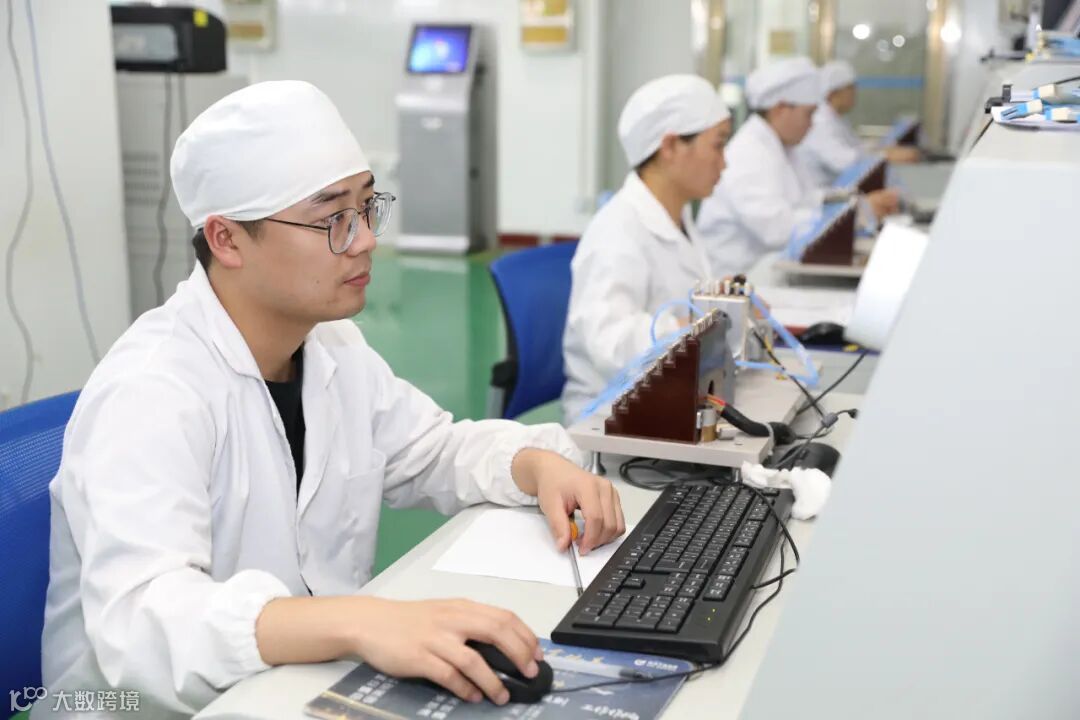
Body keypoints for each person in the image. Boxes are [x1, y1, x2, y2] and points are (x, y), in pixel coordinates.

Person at [37, 81, 625, 719]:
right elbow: (144, 623)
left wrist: (535, 464)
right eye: (332, 220)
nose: (366, 240)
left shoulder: (332, 347)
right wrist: (357, 622)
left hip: (297, 686)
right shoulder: (151, 392)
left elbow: (431, 450)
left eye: (367, 208)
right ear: (227, 240)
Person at [561, 75, 732, 424]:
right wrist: (693, 326)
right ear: (670, 147)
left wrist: (722, 305)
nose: (724, 162)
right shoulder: (617, 231)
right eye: (717, 145)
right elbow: (609, 344)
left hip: (673, 397)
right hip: (612, 417)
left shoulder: (677, 215)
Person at [697, 57, 899, 279]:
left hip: (775, 268)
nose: (812, 124)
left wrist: (855, 205)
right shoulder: (749, 153)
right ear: (781, 109)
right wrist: (856, 215)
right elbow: (777, 230)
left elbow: (809, 198)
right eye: (808, 114)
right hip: (742, 277)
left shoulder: (783, 147)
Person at [797, 60, 921, 187]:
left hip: (836, 187)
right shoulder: (819, 121)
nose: (855, 93)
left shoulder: (836, 118)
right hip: (823, 191)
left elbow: (856, 147)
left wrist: (883, 149)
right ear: (833, 93)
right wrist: (886, 156)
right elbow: (844, 161)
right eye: (850, 88)